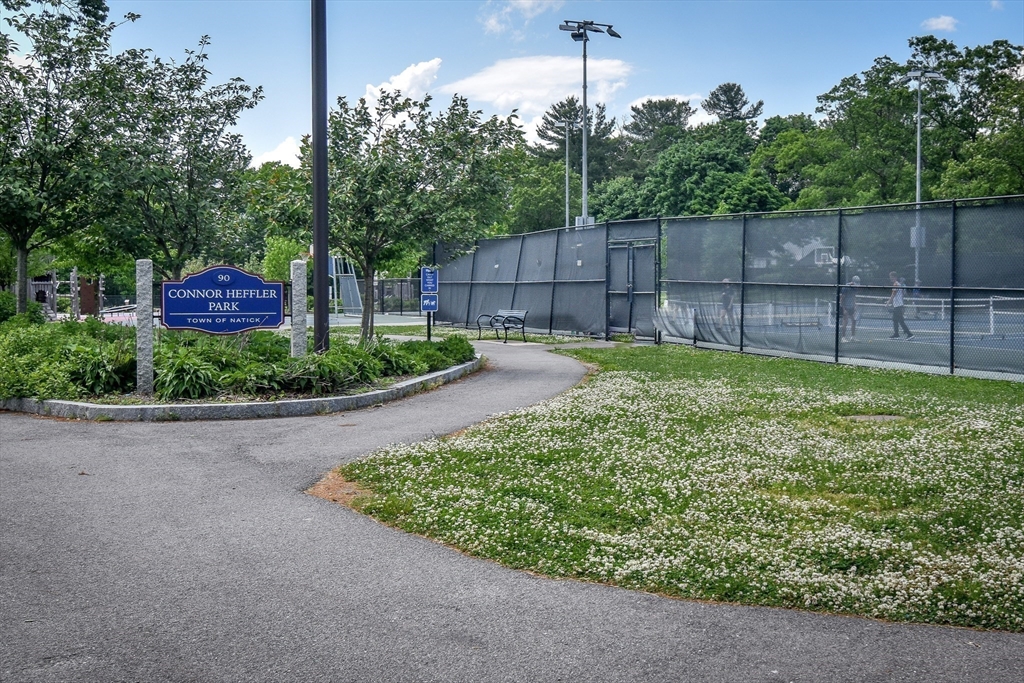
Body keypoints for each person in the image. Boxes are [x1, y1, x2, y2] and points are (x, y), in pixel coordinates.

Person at [887, 271, 914, 340]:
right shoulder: (897, 284)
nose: (891, 278)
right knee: (895, 320)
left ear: (895, 277)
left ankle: (909, 334)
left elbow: (893, 294)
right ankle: (896, 334)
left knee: (901, 321)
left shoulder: (896, 284)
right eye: (891, 277)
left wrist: (888, 303)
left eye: (892, 277)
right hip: (897, 305)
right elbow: (900, 295)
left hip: (898, 306)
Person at [839, 275, 860, 341]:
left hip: (851, 306)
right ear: (852, 282)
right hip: (845, 306)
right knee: (845, 321)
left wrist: (855, 305)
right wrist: (843, 309)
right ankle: (843, 337)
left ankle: (852, 337)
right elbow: (842, 298)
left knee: (854, 320)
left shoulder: (855, 288)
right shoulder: (846, 287)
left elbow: (853, 296)